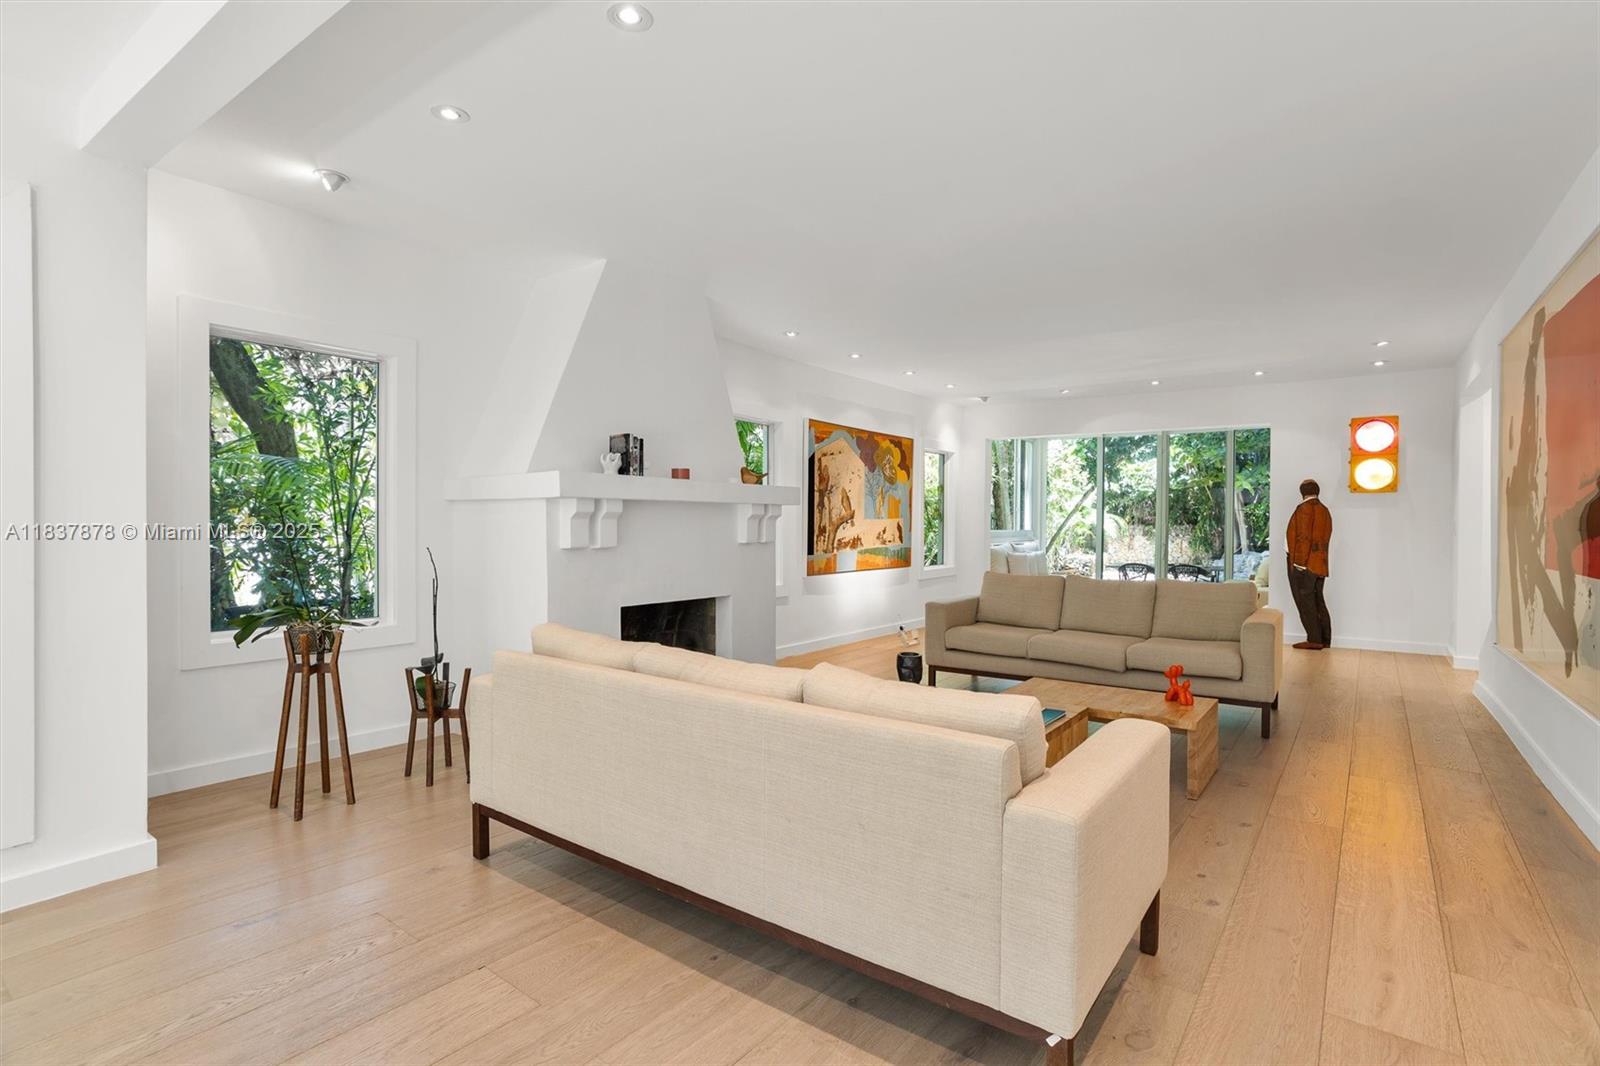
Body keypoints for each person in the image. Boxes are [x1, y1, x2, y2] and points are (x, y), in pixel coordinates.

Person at [1286, 478, 1333, 650]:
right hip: (1320, 564)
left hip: (1304, 563)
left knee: (1306, 602)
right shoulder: (1324, 510)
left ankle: (1314, 639)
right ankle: (1324, 639)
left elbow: (1303, 538)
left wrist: (1299, 563)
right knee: (1318, 600)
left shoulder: (1305, 509)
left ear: (1302, 492)